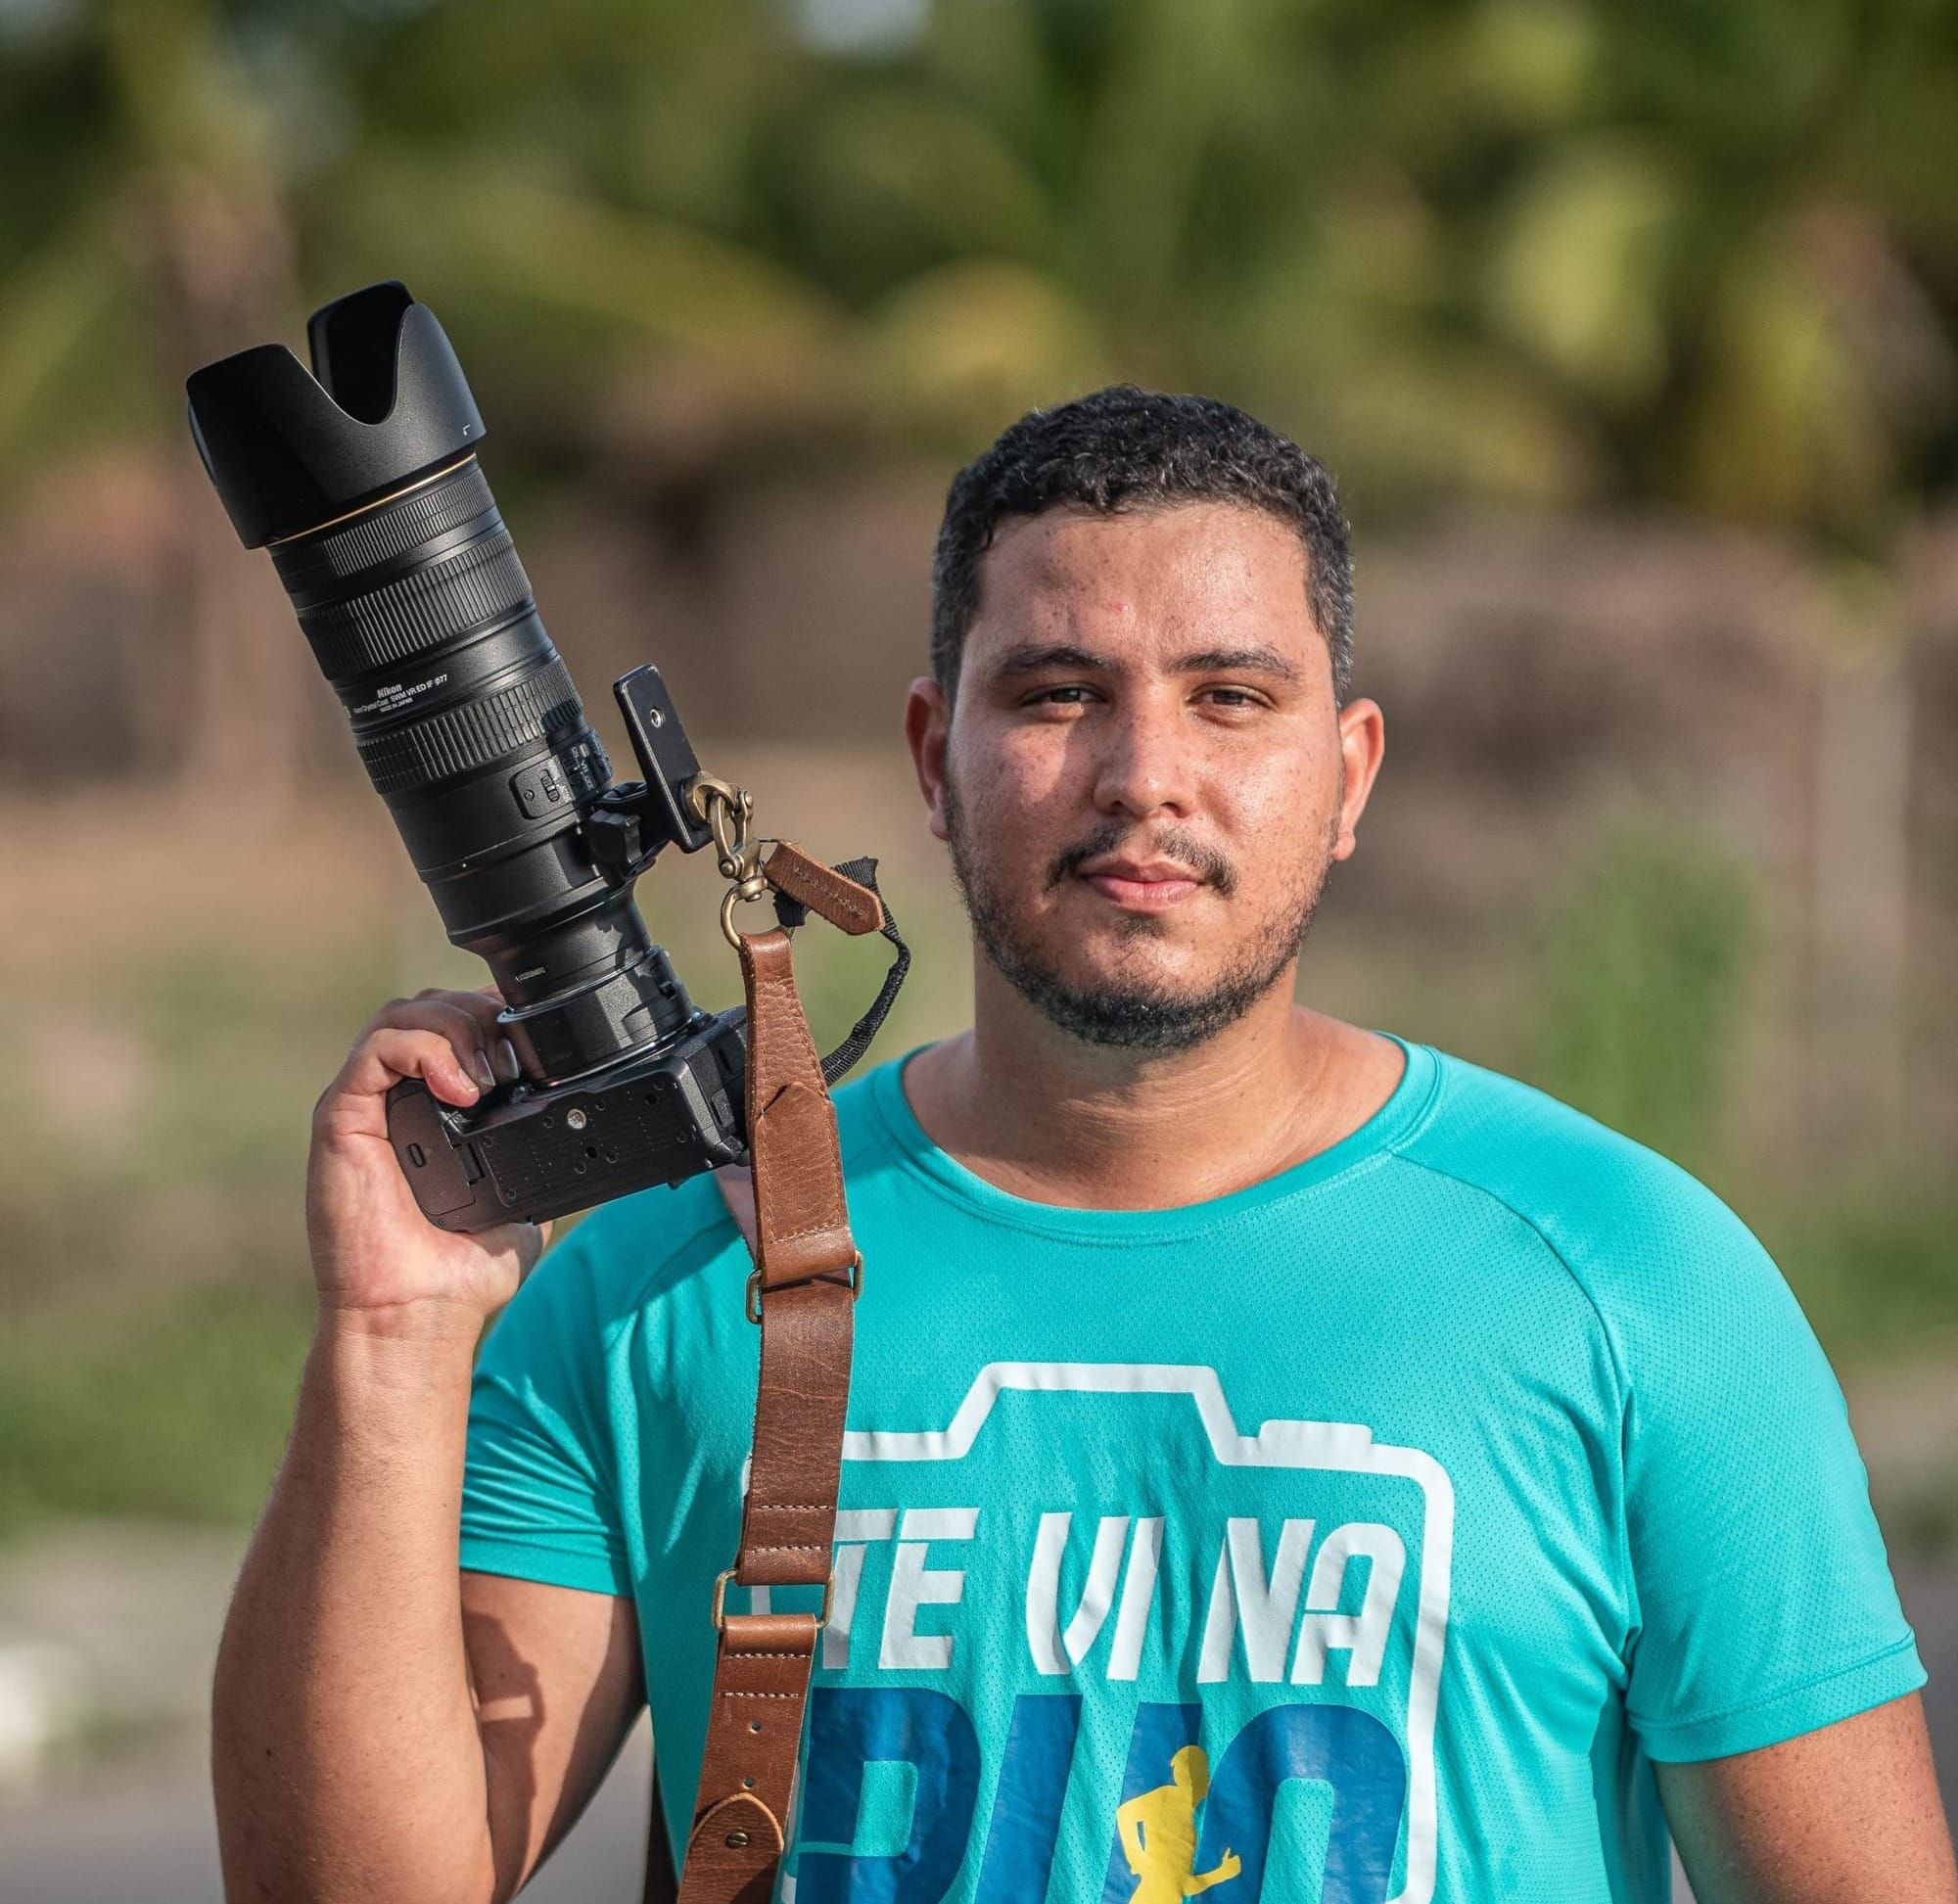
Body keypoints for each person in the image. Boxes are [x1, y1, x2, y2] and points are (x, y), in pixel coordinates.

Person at [211, 388, 1956, 1903]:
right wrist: (392, 1338)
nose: (1143, 773)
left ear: (1348, 775)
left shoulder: (1631, 1283)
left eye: (1231, 697)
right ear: (933, 754)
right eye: (1056, 692)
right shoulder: (665, 1275)